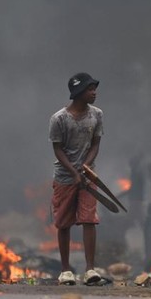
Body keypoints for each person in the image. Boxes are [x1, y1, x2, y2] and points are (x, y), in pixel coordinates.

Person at [49, 72, 104, 286]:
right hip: (64, 177)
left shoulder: (97, 115)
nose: (94, 93)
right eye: (90, 89)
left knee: (89, 220)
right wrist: (73, 172)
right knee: (64, 223)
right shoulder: (59, 119)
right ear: (79, 93)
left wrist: (86, 167)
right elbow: (57, 148)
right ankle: (66, 270)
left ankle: (90, 270)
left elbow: (96, 143)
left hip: (88, 177)